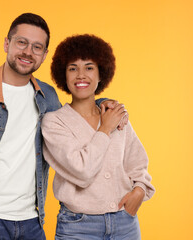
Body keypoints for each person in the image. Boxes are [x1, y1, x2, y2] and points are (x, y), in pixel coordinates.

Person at [0, 13, 126, 240]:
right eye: (21, 42)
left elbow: (73, 116)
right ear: (6, 43)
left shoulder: (47, 97)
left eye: (37, 47)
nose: (27, 52)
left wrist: (102, 104)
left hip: (31, 223)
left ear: (44, 55)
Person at [41, 34, 155, 240]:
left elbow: (137, 162)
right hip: (78, 226)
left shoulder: (116, 114)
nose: (81, 75)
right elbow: (82, 171)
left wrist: (139, 190)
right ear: (63, 76)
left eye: (89, 67)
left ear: (101, 73)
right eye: (72, 68)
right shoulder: (54, 122)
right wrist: (105, 129)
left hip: (125, 224)